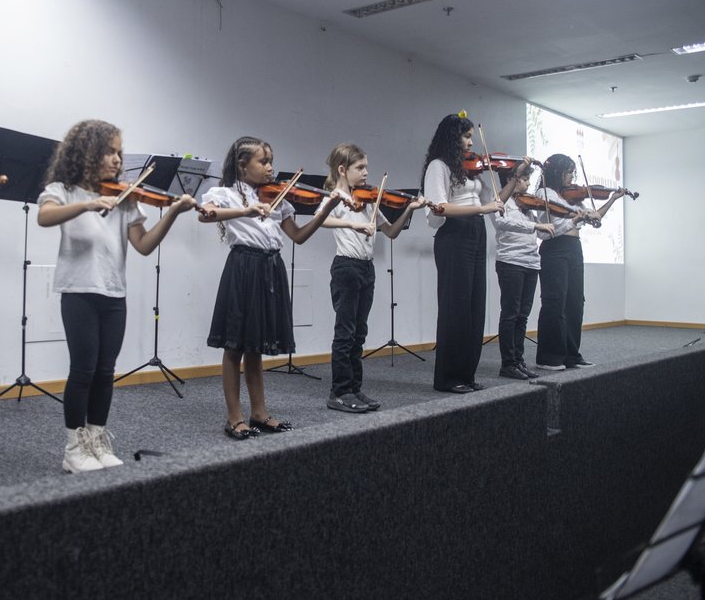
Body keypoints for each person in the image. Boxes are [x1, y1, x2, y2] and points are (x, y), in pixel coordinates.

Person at [37, 120, 195, 473]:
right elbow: (45, 217)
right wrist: (88, 205)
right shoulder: (63, 190)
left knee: (105, 371)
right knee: (83, 370)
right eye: (109, 151)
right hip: (79, 291)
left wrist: (171, 213)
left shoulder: (125, 198)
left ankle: (97, 439)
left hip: (114, 293)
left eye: (119, 153)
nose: (117, 159)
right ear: (87, 152)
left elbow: (143, 245)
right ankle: (74, 449)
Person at [201, 136, 341, 439]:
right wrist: (245, 211)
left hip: (270, 268)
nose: (270, 167)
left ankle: (260, 413)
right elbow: (205, 214)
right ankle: (234, 416)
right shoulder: (223, 193)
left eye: (270, 161)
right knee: (234, 345)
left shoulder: (278, 198)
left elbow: (299, 236)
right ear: (242, 165)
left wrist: (326, 210)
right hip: (243, 266)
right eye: (263, 161)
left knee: (256, 347)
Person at [420, 112, 530, 393]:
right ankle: (448, 377)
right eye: (466, 136)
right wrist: (482, 209)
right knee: (454, 308)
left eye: (471, 136)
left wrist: (513, 178)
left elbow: (495, 202)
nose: (471, 142)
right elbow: (439, 207)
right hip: (454, 235)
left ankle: (466, 374)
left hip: (476, 232)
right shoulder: (438, 166)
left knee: (473, 307)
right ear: (452, 137)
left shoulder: (471, 170)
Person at [319, 142, 426, 412]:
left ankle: (355, 388)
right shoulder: (334, 198)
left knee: (359, 333)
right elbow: (321, 219)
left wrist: (409, 209)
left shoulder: (367, 200)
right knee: (345, 333)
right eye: (360, 167)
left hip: (366, 269)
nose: (367, 172)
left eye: (367, 167)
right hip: (346, 268)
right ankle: (339, 392)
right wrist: (351, 222)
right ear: (342, 169)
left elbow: (390, 232)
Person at [534, 154, 624, 371]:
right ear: (556, 172)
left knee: (575, 302)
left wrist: (612, 199)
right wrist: (577, 218)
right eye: (568, 171)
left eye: (573, 172)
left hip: (574, 248)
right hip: (555, 249)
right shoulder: (544, 192)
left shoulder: (572, 197)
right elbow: (554, 226)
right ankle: (549, 357)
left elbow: (595, 217)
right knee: (555, 303)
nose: (571, 176)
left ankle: (572, 355)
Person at [490, 165, 579, 380]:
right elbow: (500, 223)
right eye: (524, 179)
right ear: (513, 179)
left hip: (531, 263)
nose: (529, 184)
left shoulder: (528, 206)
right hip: (511, 261)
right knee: (510, 315)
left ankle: (518, 361)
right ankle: (508, 363)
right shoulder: (501, 201)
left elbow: (546, 234)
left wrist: (572, 222)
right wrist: (535, 227)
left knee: (522, 316)